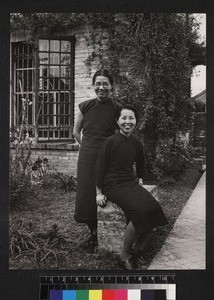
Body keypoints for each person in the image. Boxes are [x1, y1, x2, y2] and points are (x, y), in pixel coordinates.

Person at [95, 104, 168, 269]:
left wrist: (141, 179)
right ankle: (124, 255)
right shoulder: (110, 142)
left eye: (131, 118)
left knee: (154, 207)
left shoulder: (136, 143)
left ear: (136, 121)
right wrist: (99, 192)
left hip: (129, 182)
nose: (127, 122)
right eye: (124, 118)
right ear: (117, 121)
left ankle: (138, 248)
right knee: (140, 212)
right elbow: (100, 168)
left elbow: (141, 164)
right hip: (112, 185)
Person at [73, 69, 120, 253]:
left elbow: (123, 131)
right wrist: (87, 146)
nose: (101, 87)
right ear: (93, 86)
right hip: (87, 158)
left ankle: (105, 230)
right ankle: (93, 233)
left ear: (111, 86)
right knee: (86, 194)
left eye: (105, 84)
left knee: (105, 193)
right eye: (98, 84)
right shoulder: (85, 106)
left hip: (108, 159)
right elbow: (76, 132)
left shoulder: (117, 108)